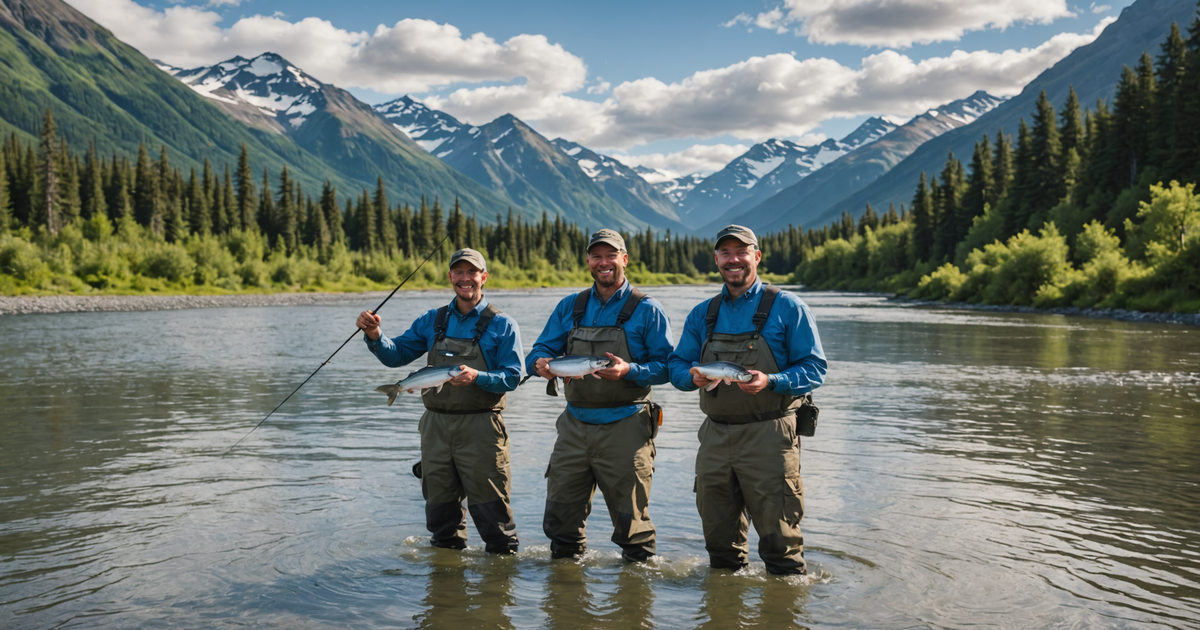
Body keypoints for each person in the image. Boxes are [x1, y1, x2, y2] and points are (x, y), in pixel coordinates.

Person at [668, 224, 827, 575]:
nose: (733, 260)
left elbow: (816, 368)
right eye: (726, 253)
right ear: (716, 260)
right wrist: (689, 377)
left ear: (756, 256)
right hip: (714, 437)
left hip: (770, 436)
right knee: (720, 548)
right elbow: (677, 364)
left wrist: (772, 381)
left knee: (781, 548)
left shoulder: (788, 306)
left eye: (742, 252)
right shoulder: (702, 313)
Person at [356, 248, 523, 555]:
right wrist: (376, 335)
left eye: (472, 273)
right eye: (458, 273)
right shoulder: (432, 321)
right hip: (435, 428)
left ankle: (499, 591)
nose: (465, 279)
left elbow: (513, 377)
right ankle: (446, 586)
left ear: (483, 277)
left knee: (494, 520)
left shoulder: (503, 324)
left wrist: (478, 377)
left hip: (482, 427)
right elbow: (397, 356)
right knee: (441, 516)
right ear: (450, 277)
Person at [526, 229, 674, 562]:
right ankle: (565, 601)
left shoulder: (648, 309)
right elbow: (539, 349)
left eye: (611, 256)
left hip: (627, 426)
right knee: (560, 524)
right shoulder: (570, 306)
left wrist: (630, 371)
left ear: (624, 259)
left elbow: (667, 367)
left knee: (632, 529)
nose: (603, 263)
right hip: (574, 427)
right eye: (596, 256)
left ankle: (635, 603)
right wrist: (539, 362)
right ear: (589, 261)